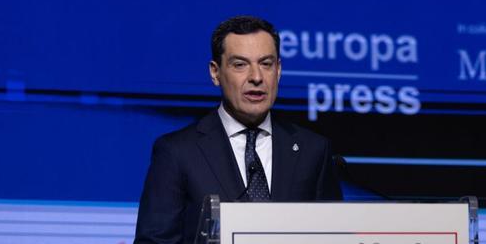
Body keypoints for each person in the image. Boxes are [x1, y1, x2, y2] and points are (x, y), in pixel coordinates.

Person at [134, 15, 342, 244]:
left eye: (266, 64)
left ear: (279, 70)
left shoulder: (313, 150)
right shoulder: (176, 152)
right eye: (240, 65)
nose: (256, 77)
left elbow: (334, 237)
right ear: (215, 72)